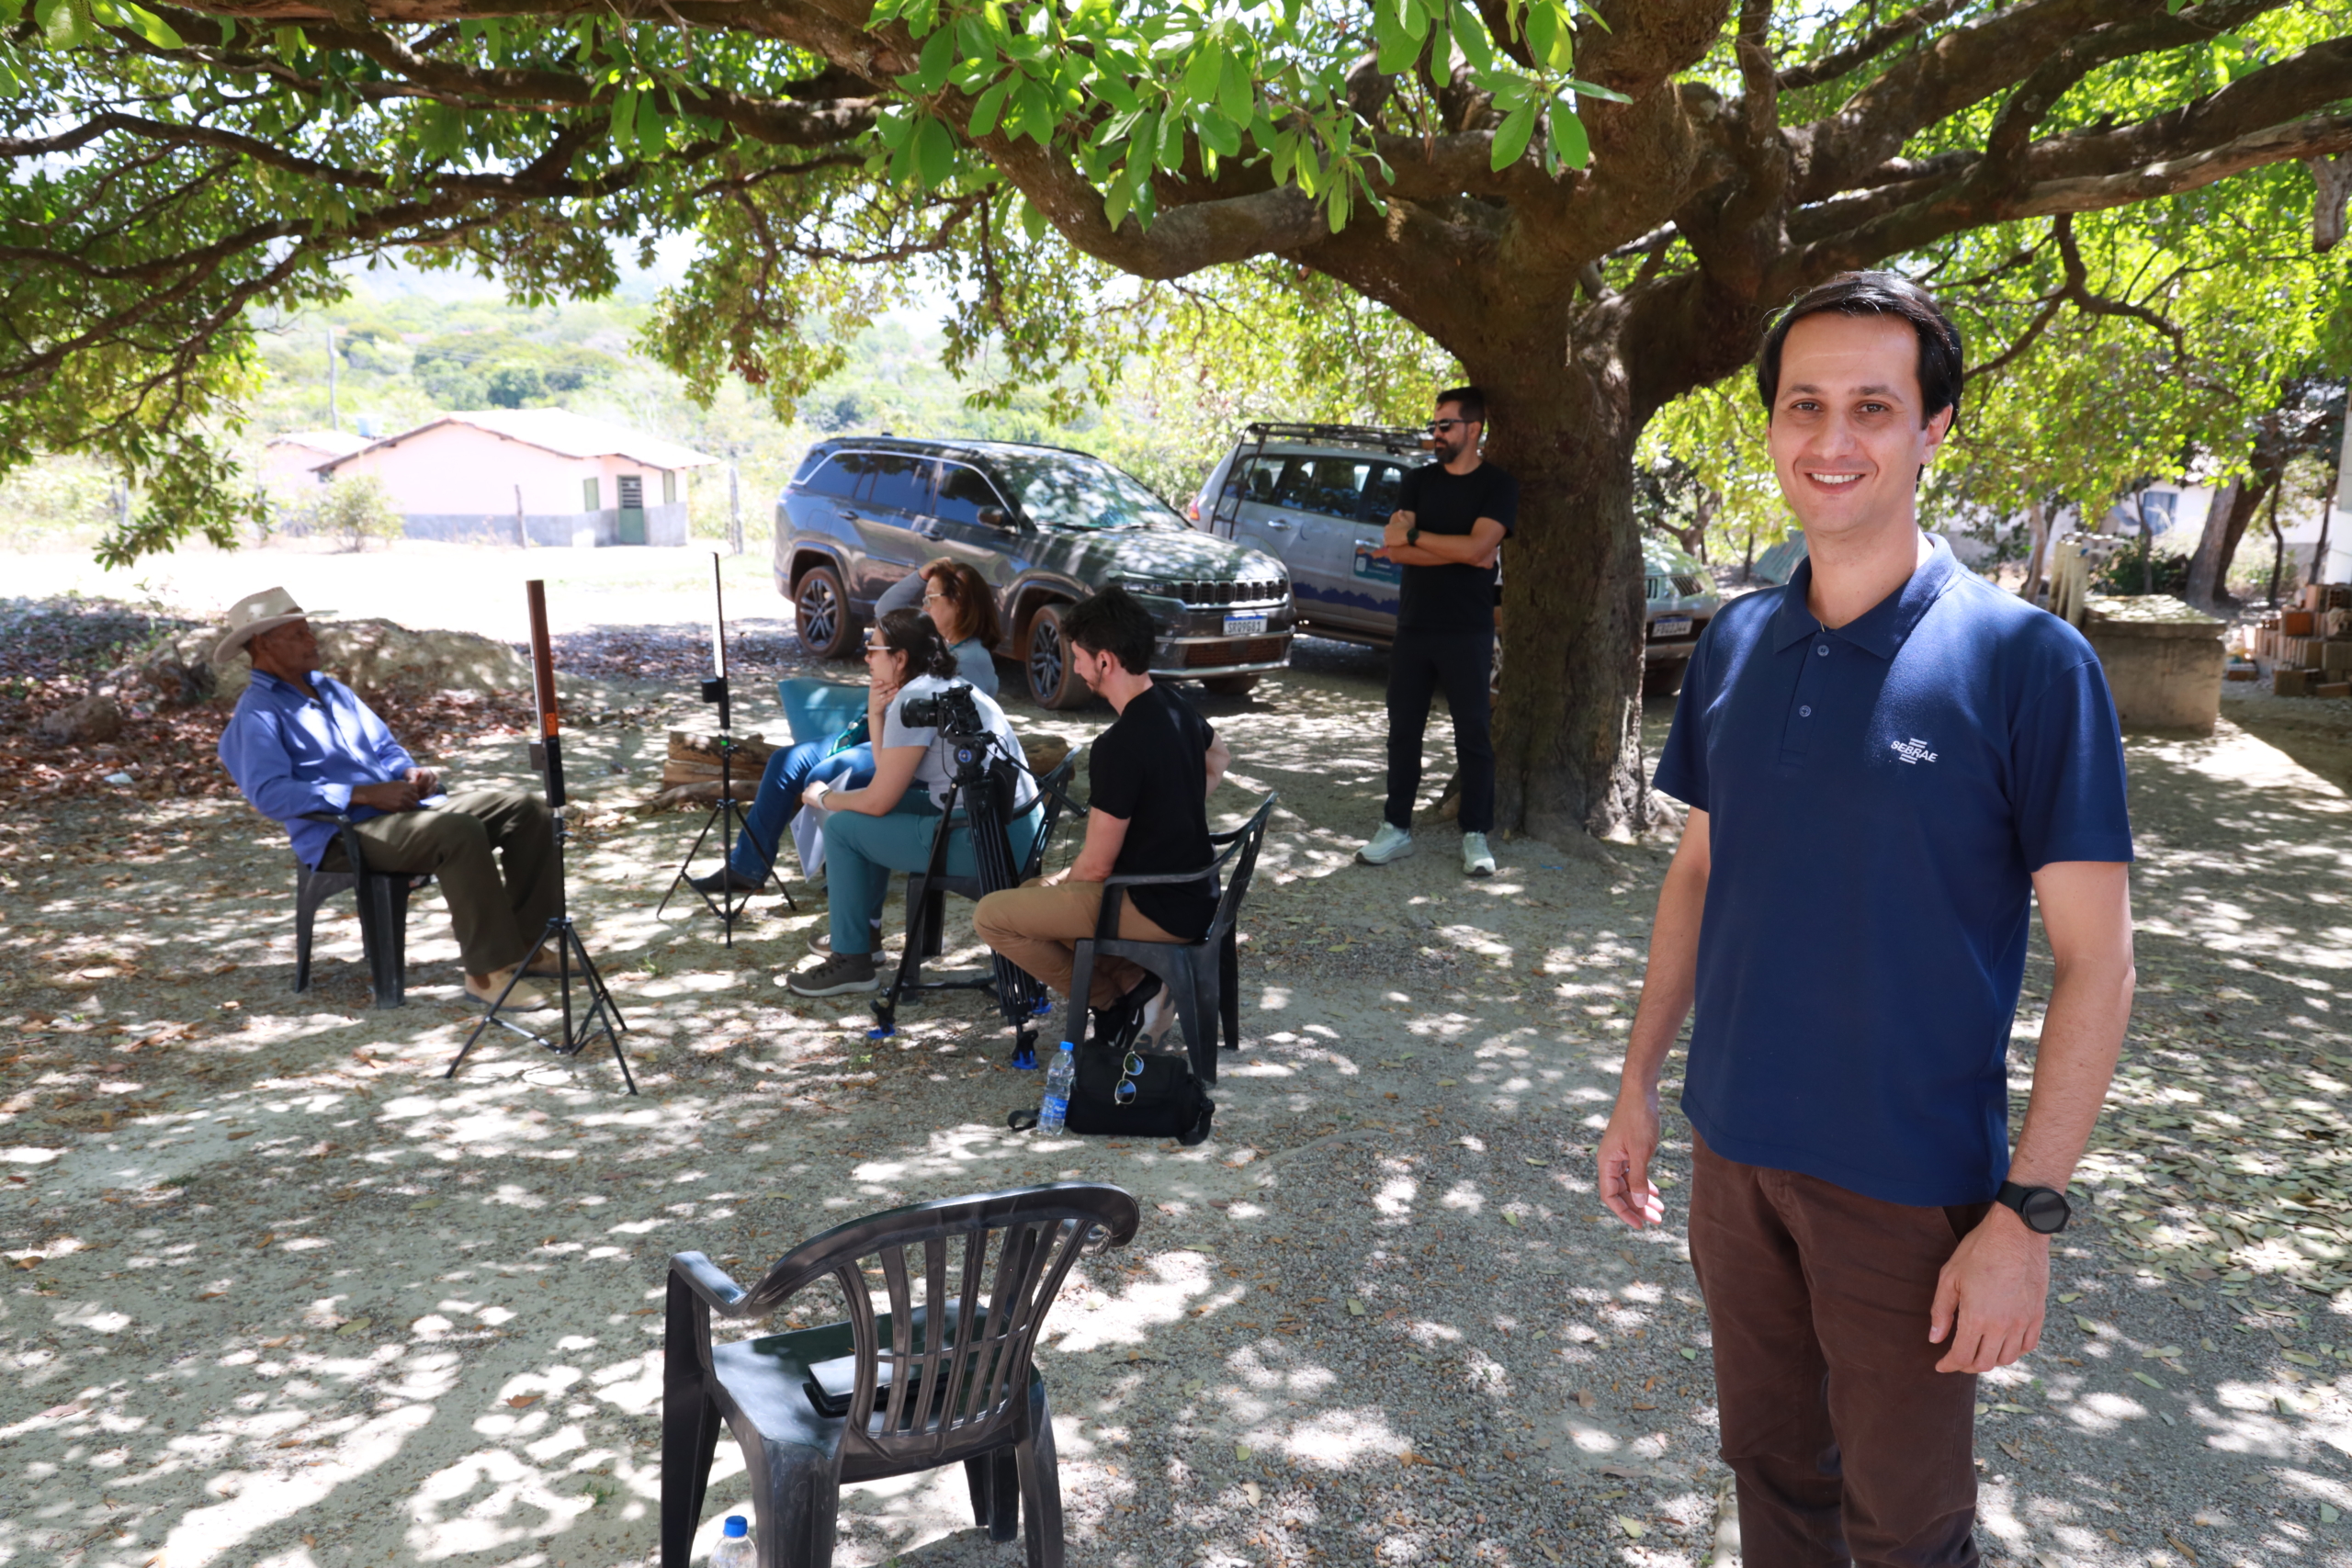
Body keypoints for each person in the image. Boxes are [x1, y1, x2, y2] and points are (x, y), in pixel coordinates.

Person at [1595, 272, 2135, 1568]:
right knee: (1773, 1474)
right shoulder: (1736, 642)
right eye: (1804, 405)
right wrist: (1637, 1087)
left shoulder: (2027, 663)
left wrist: (2027, 1216)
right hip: (1736, 1157)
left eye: (1873, 408)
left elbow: (2097, 961)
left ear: (1933, 431)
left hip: (1906, 1186)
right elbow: (1699, 875)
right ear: (1772, 425)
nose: (1831, 441)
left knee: (1907, 1521)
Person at [213, 588, 564, 1010]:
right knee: (457, 831)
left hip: (401, 814)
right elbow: (270, 795)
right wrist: (362, 794)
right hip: (343, 836)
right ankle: (487, 973)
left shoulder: (331, 691)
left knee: (527, 810)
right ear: (263, 644)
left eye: (310, 631)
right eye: (299, 634)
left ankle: (532, 944)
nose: (313, 641)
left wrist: (408, 772)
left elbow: (385, 749)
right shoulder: (258, 714)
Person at [974, 585, 1230, 1048]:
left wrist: (1069, 883)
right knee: (1034, 893)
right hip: (1191, 888)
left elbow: (1095, 869)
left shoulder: (1119, 745)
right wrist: (1174, 806)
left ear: (1105, 661)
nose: (1075, 668)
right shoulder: (1172, 703)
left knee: (993, 916)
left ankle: (1112, 1004)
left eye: (1078, 657)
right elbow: (1220, 757)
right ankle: (1137, 983)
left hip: (1158, 903)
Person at [692, 558, 1001, 896]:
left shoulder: (971, 659)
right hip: (879, 727)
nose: (923, 605)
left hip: (913, 748)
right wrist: (922, 575)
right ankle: (746, 867)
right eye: (923, 598)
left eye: (931, 598)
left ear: (959, 603)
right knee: (786, 761)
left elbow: (935, 730)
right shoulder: (933, 638)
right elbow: (886, 610)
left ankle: (843, 867)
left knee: (824, 774)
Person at [784, 609, 1040, 997]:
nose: (866, 657)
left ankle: (852, 960)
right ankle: (859, 940)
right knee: (858, 813)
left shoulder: (914, 700)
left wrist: (822, 797)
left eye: (873, 649)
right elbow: (889, 773)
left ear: (900, 658)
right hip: (1011, 831)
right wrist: (875, 711)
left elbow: (878, 800)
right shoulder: (940, 684)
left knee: (840, 826)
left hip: (986, 843)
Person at [1356, 385, 1516, 878]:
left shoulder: (1497, 486)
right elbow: (1394, 547)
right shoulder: (1417, 481)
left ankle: (1475, 836)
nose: (1436, 434)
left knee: (1473, 734)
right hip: (1414, 626)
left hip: (1467, 630)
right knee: (1404, 730)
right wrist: (1456, 546)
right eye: (1434, 425)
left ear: (1474, 429)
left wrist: (1419, 537)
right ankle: (1395, 827)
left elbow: (1480, 552)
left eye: (1445, 425)